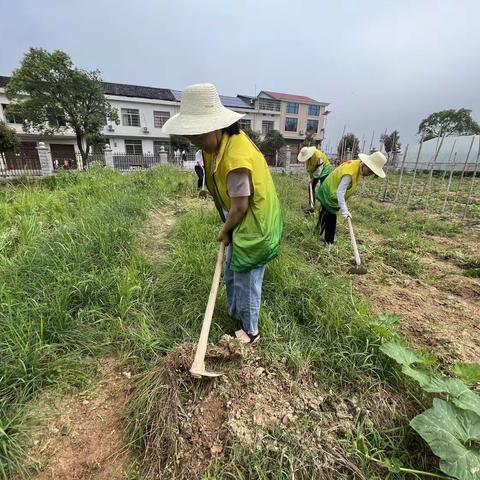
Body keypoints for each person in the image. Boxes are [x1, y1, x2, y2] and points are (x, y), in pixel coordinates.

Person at [162, 83, 283, 344]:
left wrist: (225, 229)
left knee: (246, 279)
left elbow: (240, 206)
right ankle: (234, 316)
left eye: (198, 135)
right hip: (241, 221)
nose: (194, 141)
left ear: (215, 126)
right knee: (230, 269)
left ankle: (251, 331)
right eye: (190, 136)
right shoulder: (217, 146)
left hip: (256, 225)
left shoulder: (236, 157)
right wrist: (230, 227)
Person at [316, 152, 387, 244]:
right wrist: (345, 210)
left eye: (372, 173)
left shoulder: (356, 166)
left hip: (330, 190)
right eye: (369, 171)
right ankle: (329, 241)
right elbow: (340, 192)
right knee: (331, 217)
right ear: (365, 164)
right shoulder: (350, 171)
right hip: (329, 192)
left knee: (324, 214)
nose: (369, 174)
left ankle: (318, 233)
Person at [297, 146, 333, 212]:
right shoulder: (308, 159)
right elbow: (311, 169)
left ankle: (325, 207)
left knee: (323, 188)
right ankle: (311, 206)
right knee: (311, 186)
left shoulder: (318, 156)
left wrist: (313, 178)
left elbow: (319, 170)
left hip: (325, 169)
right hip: (316, 172)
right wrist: (311, 179)